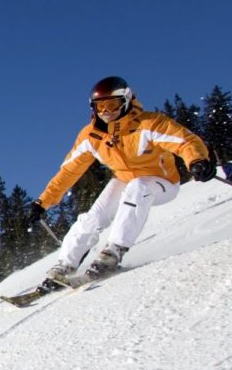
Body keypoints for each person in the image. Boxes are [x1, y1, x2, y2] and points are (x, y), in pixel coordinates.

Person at [28, 76, 213, 284]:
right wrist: (43, 201)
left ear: (125, 101)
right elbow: (69, 170)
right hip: (125, 180)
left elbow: (185, 141)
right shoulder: (92, 136)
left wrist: (197, 160)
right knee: (94, 215)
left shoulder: (148, 123)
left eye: (112, 104)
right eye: (100, 106)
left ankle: (113, 253)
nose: (106, 111)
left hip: (162, 182)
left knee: (139, 186)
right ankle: (65, 264)